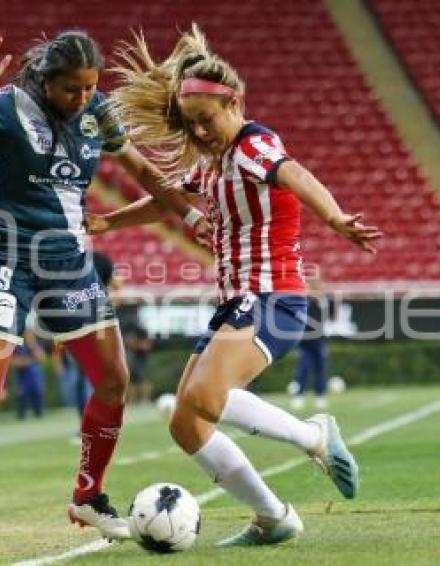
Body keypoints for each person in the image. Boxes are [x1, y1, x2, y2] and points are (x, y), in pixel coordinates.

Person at [0, 27, 210, 559]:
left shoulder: (97, 110)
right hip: (5, 259)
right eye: (72, 89)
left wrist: (188, 214)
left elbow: (140, 168)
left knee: (115, 380)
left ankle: (88, 495)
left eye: (89, 88)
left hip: (68, 264)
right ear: (47, 81)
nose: (82, 99)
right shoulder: (7, 106)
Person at [91, 25, 382, 546]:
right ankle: (274, 516)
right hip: (236, 303)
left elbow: (295, 174)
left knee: (205, 397)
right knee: (185, 422)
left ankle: (314, 435)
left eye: (206, 121)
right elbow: (167, 202)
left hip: (273, 297)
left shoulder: (253, 144)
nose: (200, 133)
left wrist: (334, 217)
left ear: (234, 102)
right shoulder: (213, 161)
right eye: (192, 126)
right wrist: (108, 223)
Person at [290, 284, 329, 411]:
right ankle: (299, 395)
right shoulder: (303, 302)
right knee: (303, 369)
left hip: (318, 340)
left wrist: (317, 294)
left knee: (320, 369)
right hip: (304, 341)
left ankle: (320, 396)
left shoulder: (322, 302)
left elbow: (326, 310)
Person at [12, 330, 47, 420]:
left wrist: (33, 345)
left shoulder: (34, 345)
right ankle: (21, 417)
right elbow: (14, 361)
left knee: (38, 398)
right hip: (23, 379)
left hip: (35, 378)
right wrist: (28, 361)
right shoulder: (17, 346)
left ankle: (39, 416)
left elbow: (42, 357)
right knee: (22, 399)